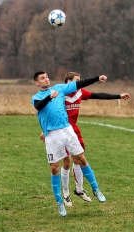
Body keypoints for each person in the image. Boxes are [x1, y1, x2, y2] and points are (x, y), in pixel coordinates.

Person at [31, 71, 107, 217]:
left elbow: (80, 84)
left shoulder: (59, 88)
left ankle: (96, 189)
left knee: (81, 159)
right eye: (42, 78)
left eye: (47, 76)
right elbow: (39, 106)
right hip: (52, 134)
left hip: (67, 129)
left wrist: (97, 78)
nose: (46, 79)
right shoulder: (36, 97)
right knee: (54, 168)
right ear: (37, 83)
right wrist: (49, 97)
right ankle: (60, 202)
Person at [61, 72, 131, 205]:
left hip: (74, 130)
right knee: (66, 162)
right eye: (77, 80)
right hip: (61, 130)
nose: (79, 82)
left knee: (80, 159)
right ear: (68, 82)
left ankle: (79, 189)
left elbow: (98, 95)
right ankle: (65, 193)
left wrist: (118, 96)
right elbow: (50, 111)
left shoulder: (80, 92)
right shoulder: (61, 93)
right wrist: (45, 129)